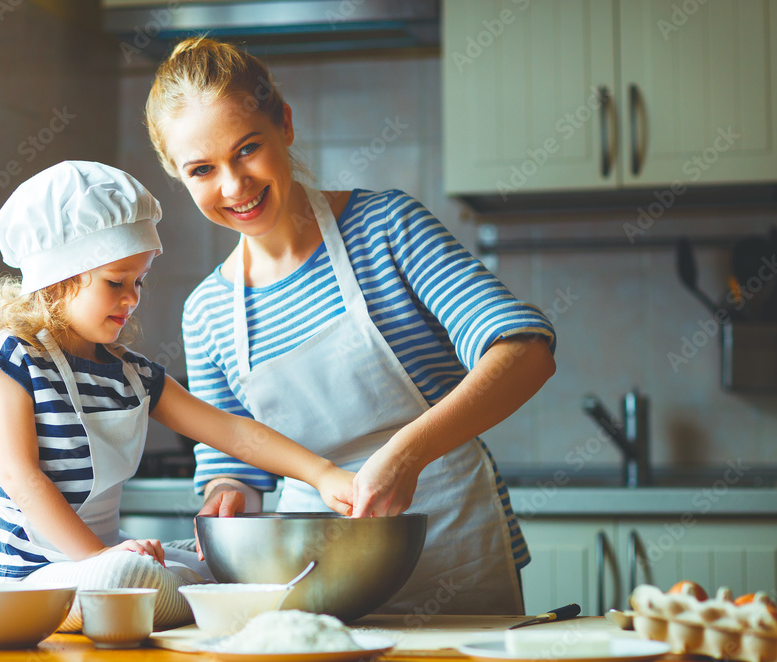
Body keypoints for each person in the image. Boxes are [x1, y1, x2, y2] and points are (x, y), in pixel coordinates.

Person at [145, 37, 557, 616]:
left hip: (456, 557)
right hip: (312, 579)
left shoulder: (387, 229)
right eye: (203, 169)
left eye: (248, 149)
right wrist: (227, 499)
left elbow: (525, 352)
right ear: (178, 176)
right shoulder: (208, 310)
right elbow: (232, 467)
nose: (234, 185)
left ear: (284, 124)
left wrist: (407, 454)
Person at [0, 161, 354, 629]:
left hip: (106, 562)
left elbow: (231, 431)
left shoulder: (130, 374)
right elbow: (21, 478)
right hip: (28, 576)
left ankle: (157, 591)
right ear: (59, 276)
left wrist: (324, 474)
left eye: (139, 281)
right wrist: (100, 559)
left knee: (215, 561)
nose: (132, 298)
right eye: (116, 281)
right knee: (131, 574)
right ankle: (153, 595)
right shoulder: (14, 357)